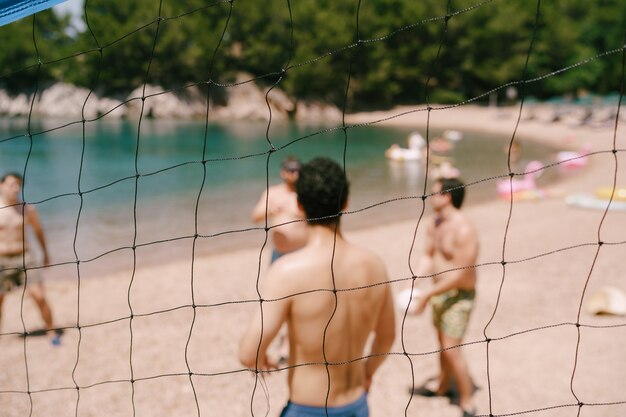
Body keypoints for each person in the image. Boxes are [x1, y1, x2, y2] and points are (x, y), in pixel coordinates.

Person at [239, 157, 396, 417]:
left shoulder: (288, 272)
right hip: (357, 404)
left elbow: (249, 353)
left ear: (299, 206)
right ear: (346, 203)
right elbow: (387, 336)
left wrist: (261, 360)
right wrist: (368, 372)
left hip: (308, 408)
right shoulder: (374, 265)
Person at [410, 177, 478, 417]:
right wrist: (417, 280)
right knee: (442, 344)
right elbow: (428, 254)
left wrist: (427, 295)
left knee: (451, 348)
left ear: (447, 196)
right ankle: (442, 387)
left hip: (459, 296)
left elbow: (461, 275)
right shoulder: (434, 223)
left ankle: (467, 400)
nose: (430, 196)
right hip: (438, 292)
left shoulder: (464, 228)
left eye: (435, 192)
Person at [0, 172, 60, 345]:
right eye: (12, 184)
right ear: (1, 186)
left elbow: (38, 231)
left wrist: (46, 253)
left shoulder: (27, 208)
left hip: (25, 257)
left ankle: (51, 332)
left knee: (39, 296)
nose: (16, 188)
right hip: (1, 259)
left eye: (18, 184)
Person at [251, 156, 308, 263]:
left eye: (298, 170)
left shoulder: (306, 193)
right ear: (283, 172)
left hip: (303, 252)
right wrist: (270, 210)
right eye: (291, 170)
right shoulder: (273, 193)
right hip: (279, 253)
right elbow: (255, 217)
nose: (295, 173)